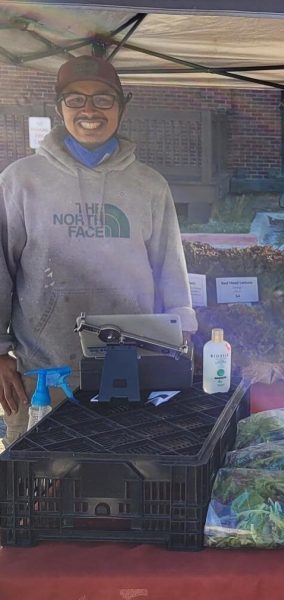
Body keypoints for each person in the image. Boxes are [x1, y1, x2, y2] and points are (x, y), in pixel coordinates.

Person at [0, 55, 197, 448]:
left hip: (133, 371)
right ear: (59, 109)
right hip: (46, 374)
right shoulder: (21, 181)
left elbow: (169, 267)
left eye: (103, 99)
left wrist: (181, 336)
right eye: (75, 100)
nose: (89, 110)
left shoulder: (149, 185)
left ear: (122, 107)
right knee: (42, 492)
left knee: (128, 483)